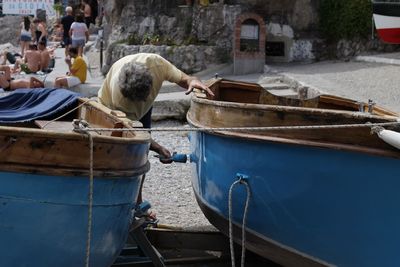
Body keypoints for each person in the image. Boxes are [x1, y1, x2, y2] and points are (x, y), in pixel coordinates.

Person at [97, 53, 214, 206]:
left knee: (143, 154)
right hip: (114, 112)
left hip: (139, 110)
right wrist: (158, 148)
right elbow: (136, 134)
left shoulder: (157, 65)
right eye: (141, 99)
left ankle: (137, 202)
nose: (145, 100)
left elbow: (186, 79)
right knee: (125, 157)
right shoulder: (118, 99)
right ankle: (118, 201)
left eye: (147, 95)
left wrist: (194, 82)